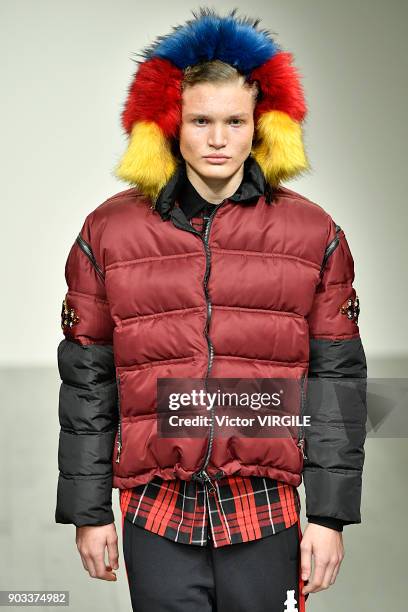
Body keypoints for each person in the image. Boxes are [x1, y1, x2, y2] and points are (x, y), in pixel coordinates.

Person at [55, 8, 367, 611]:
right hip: (154, 509)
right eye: (201, 121)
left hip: (266, 507)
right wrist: (88, 512)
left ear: (261, 127)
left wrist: (329, 517)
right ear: (172, 126)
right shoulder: (109, 232)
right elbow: (87, 384)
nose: (218, 139)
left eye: (234, 121)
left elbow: (338, 382)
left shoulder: (313, 233)